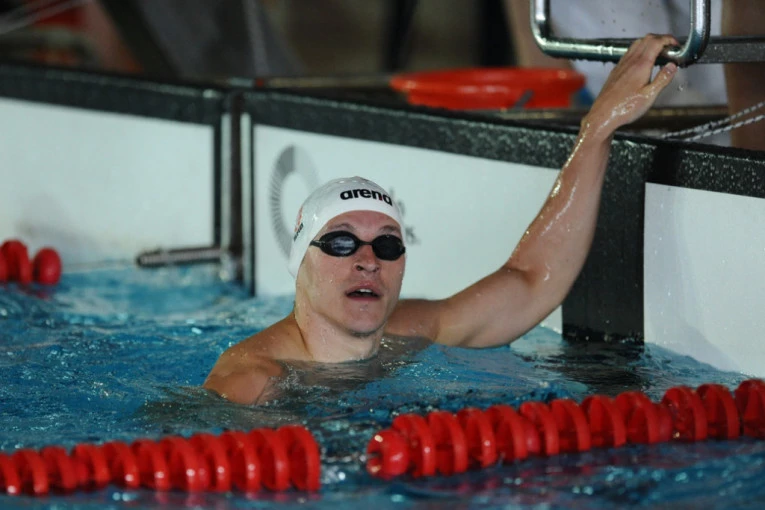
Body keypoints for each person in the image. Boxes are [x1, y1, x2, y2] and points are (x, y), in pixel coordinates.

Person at [204, 34, 679, 405]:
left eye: (387, 244)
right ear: (300, 259)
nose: (368, 260)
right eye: (342, 243)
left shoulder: (406, 334)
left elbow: (531, 279)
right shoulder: (253, 381)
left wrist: (597, 129)